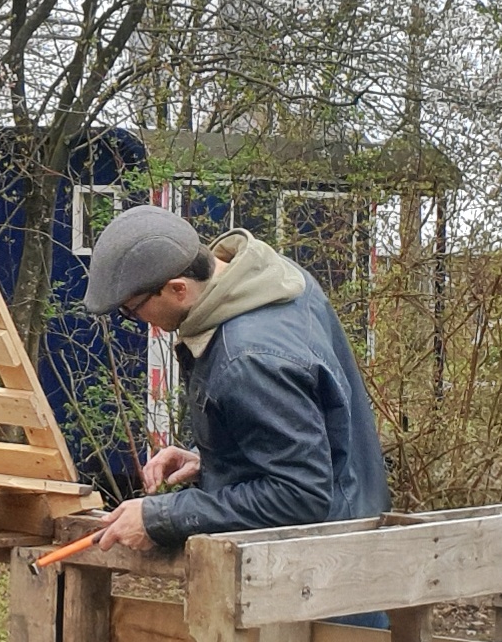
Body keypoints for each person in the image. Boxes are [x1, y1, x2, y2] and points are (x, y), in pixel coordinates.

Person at [78, 204, 387, 553]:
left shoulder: (248, 357)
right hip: (352, 525)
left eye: (132, 309)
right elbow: (310, 432)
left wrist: (161, 517)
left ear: (178, 289)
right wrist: (214, 459)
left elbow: (301, 495)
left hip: (318, 569)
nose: (136, 319)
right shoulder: (273, 280)